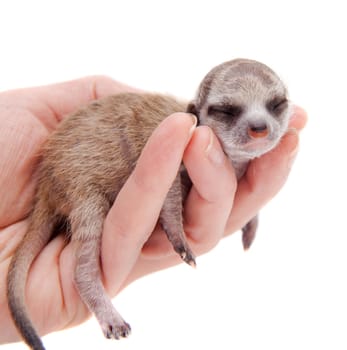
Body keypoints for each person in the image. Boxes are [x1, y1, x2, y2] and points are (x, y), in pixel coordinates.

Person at [0, 76, 307, 343]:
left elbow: (236, 169)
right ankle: (98, 301)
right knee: (98, 225)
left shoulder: (223, 146)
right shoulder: (186, 133)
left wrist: (250, 211)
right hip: (85, 170)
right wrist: (175, 234)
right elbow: (169, 187)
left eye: (275, 106)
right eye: (229, 111)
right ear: (198, 112)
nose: (258, 128)